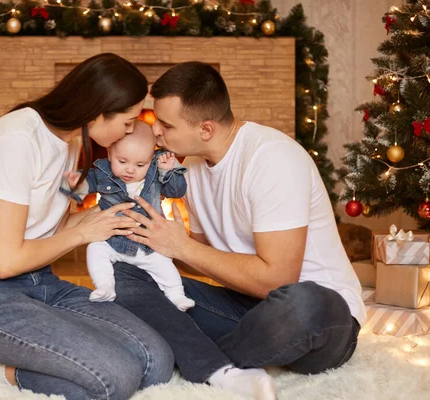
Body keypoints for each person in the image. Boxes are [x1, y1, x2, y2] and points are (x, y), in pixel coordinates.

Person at [113, 62, 365, 399]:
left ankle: (189, 355)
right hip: (245, 309)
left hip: (318, 319)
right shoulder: (190, 168)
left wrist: (181, 247)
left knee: (306, 301)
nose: (155, 131)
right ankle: (215, 365)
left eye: (166, 125)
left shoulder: (273, 158)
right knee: (121, 271)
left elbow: (278, 280)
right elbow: (205, 258)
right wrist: (153, 240)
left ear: (205, 129)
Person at [0, 53, 174, 400]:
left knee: (157, 361)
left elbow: (58, 223)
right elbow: (7, 262)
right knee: (114, 379)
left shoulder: (73, 141)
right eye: (127, 121)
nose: (131, 130)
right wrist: (84, 233)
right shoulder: (18, 139)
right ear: (98, 112)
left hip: (41, 279)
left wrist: (111, 215)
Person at [61, 121, 195, 311]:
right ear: (109, 155)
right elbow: (88, 182)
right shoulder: (103, 171)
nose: (130, 170)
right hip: (113, 241)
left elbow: (177, 191)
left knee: (165, 265)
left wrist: (168, 172)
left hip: (148, 244)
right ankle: (105, 285)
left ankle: (176, 295)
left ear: (151, 160)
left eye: (140, 164)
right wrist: (77, 182)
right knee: (95, 249)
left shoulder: (157, 171)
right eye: (122, 162)